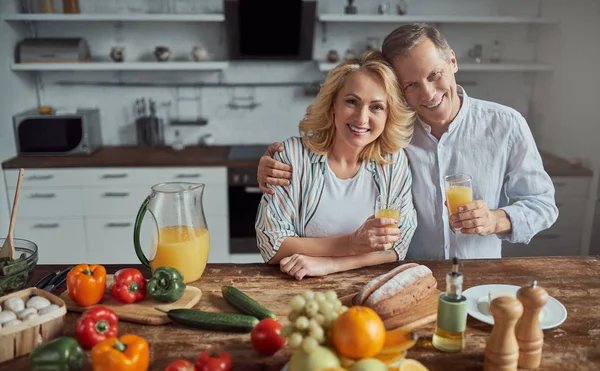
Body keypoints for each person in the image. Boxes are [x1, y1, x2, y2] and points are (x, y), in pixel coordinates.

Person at [257, 23, 558, 260]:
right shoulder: (390, 130)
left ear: (452, 61)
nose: (427, 93)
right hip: (405, 277)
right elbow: (330, 154)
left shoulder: (506, 125)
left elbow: (543, 205)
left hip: (479, 276)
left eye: (434, 75)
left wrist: (496, 219)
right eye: (411, 85)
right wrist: (275, 165)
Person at [255, 50, 417, 280]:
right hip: (296, 287)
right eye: (352, 101)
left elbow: (398, 245)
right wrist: (351, 243)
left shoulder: (392, 161)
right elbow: (271, 243)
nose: (361, 118)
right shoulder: (291, 156)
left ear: (388, 115)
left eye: (376, 107)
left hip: (366, 288)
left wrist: (331, 265)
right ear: (333, 106)